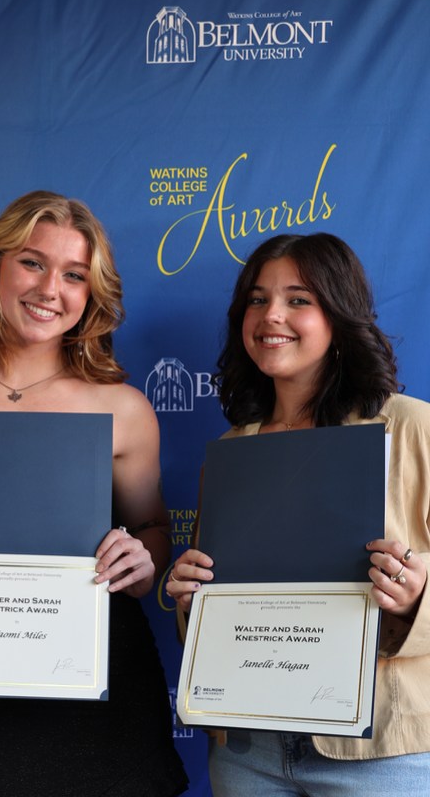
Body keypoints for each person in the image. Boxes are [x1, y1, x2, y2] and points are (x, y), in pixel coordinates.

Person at [0, 190, 189, 796]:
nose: (51, 289)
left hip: (109, 682)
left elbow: (153, 529)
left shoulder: (123, 408)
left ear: (91, 292)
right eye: (32, 262)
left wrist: (142, 560)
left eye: (74, 274)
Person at [166, 233, 430, 795]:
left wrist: (416, 595)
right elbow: (218, 619)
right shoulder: (232, 451)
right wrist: (192, 600)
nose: (271, 315)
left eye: (298, 299)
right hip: (248, 750)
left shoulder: (411, 428)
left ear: (339, 315)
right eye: (257, 299)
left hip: (379, 752)